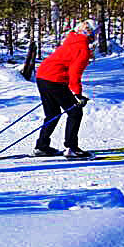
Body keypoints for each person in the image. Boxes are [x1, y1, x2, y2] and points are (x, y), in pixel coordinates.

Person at [33, 18, 97, 159]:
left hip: (43, 76)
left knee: (52, 113)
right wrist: (77, 95)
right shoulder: (82, 49)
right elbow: (74, 74)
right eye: (95, 33)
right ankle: (72, 148)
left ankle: (42, 146)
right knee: (75, 112)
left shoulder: (71, 40)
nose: (95, 36)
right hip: (55, 79)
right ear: (89, 34)